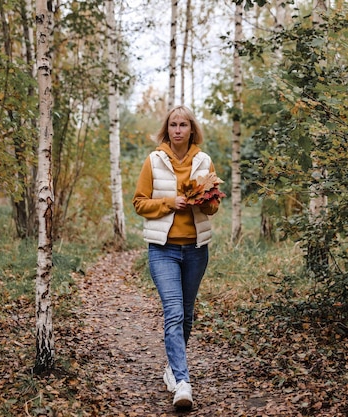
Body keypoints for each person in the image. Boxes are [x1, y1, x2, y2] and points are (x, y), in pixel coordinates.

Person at [133, 105, 221, 409]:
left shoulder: (204, 161)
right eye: (173, 125)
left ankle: (172, 367)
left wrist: (203, 200)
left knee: (186, 312)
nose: (178, 130)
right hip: (163, 249)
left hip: (196, 249)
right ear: (167, 129)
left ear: (192, 129)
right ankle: (183, 383)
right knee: (173, 311)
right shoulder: (154, 160)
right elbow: (139, 203)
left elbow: (213, 208)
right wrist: (171, 202)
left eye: (184, 124)